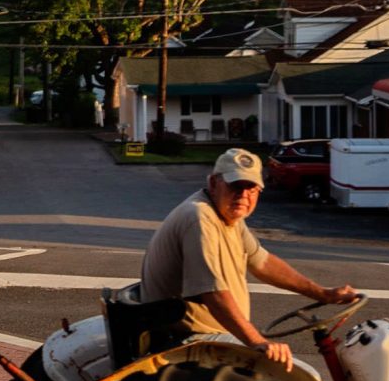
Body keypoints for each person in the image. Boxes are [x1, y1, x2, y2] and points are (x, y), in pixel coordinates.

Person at [141, 148, 360, 368]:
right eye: (235, 186)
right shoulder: (199, 218)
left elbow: (262, 262)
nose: (243, 195)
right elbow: (213, 294)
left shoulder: (228, 215)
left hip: (208, 333)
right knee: (298, 375)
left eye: (251, 188)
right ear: (214, 183)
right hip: (187, 340)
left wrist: (322, 293)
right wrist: (256, 342)